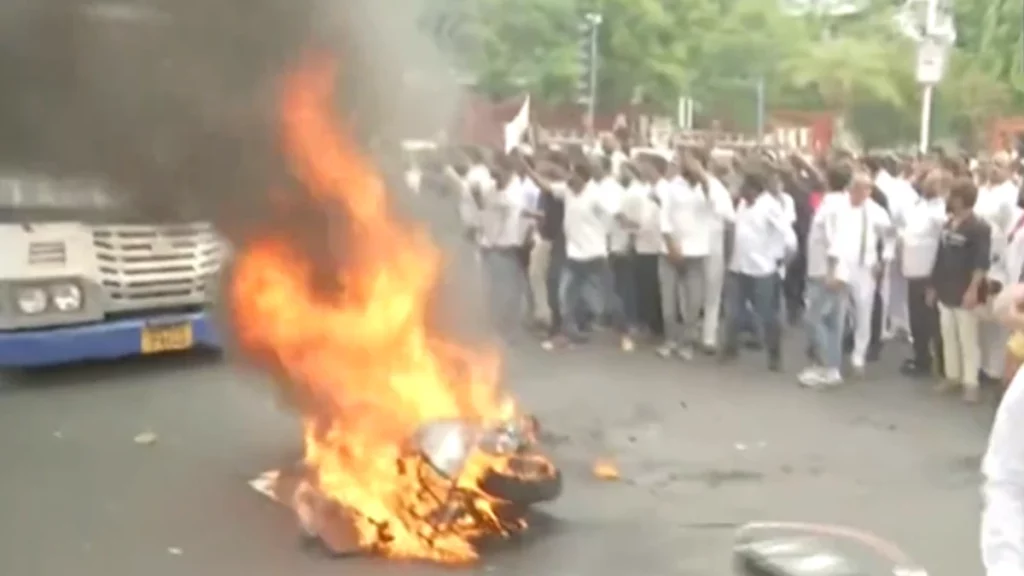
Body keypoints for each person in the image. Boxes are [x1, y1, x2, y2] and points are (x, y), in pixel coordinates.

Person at [721, 161, 796, 371]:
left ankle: (774, 355)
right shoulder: (743, 205)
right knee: (733, 310)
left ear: (753, 188)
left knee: (767, 314)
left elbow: (788, 236)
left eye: (743, 186)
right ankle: (730, 348)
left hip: (762, 270)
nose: (739, 190)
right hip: (739, 266)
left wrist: (782, 260)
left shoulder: (770, 206)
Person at [928, 177, 990, 403]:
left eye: (953, 196)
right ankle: (952, 375)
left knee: (968, 338)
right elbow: (940, 256)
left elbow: (981, 263)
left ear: (962, 200)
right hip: (945, 287)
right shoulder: (948, 224)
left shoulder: (979, 227)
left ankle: (971, 382)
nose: (949, 199)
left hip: (965, 289)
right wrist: (933, 285)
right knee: (949, 334)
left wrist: (973, 290)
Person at [833, 170, 893, 376]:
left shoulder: (877, 212)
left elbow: (890, 238)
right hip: (841, 264)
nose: (859, 193)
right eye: (855, 188)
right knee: (838, 309)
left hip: (865, 266)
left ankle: (859, 355)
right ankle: (833, 352)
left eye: (864, 189)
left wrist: (884, 260)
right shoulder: (839, 207)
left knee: (863, 311)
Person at [797, 161, 852, 388]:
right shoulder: (843, 203)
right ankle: (833, 368)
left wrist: (831, 270)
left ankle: (825, 366)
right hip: (837, 270)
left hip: (825, 271)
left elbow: (834, 240)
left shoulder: (831, 207)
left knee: (814, 319)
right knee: (833, 322)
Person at [899, 167, 947, 377]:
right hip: (913, 270)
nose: (928, 185)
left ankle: (941, 363)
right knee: (916, 319)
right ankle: (921, 358)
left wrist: (934, 282)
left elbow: (942, 246)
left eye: (933, 182)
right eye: (927, 180)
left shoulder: (941, 212)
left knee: (932, 321)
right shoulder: (919, 205)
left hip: (929, 273)